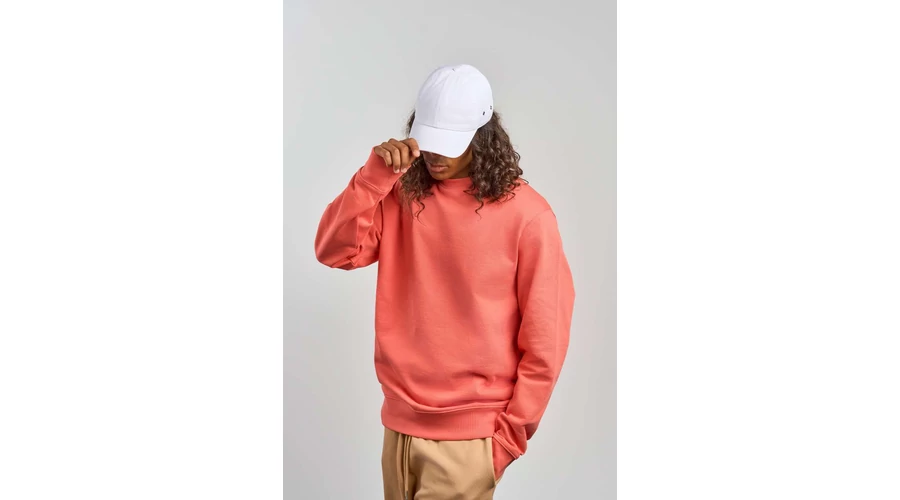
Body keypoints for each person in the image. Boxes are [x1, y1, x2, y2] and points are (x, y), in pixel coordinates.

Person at [314, 64, 575, 500]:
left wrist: (506, 441)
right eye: (429, 139)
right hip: (398, 428)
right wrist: (373, 178)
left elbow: (545, 339)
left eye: (450, 143)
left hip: (469, 442)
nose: (435, 155)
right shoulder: (401, 195)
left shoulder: (528, 216)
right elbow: (332, 251)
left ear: (483, 136)